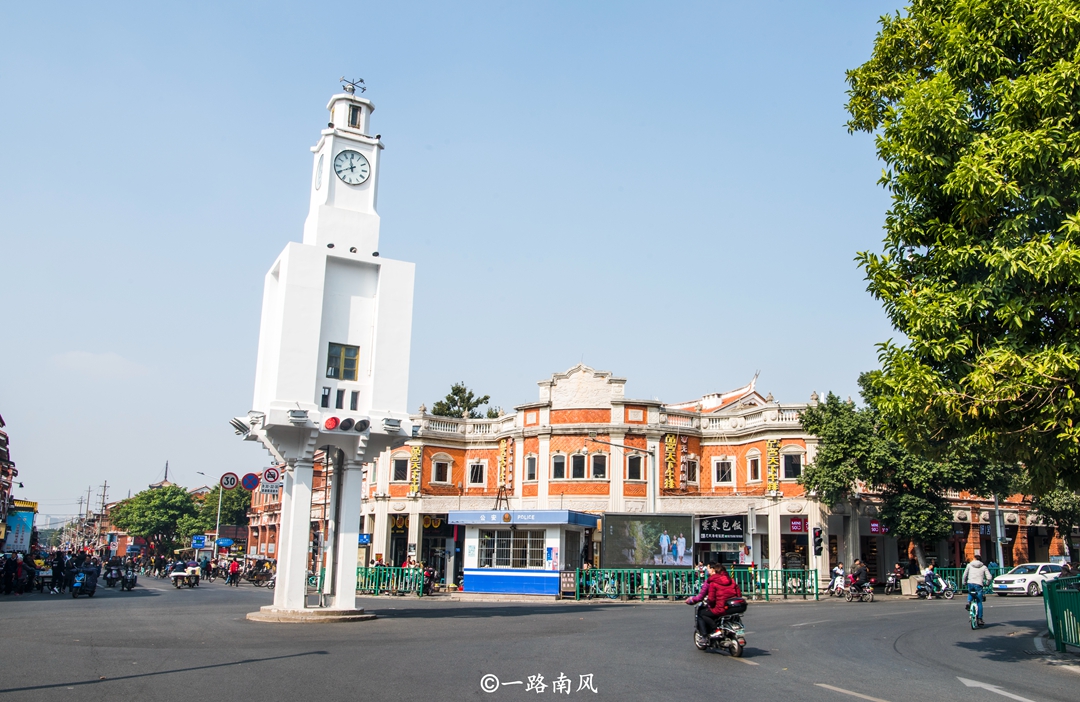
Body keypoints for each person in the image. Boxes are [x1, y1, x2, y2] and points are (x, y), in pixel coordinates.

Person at [686, 563, 742, 644]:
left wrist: (711, 606)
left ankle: (711, 633)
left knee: (702, 613)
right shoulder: (732, 581)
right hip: (732, 608)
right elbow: (739, 595)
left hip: (721, 608)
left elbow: (711, 599)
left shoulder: (712, 582)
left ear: (714, 570)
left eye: (709, 568)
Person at [962, 553, 993, 626]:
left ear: (974, 559)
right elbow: (989, 577)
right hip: (979, 584)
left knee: (970, 593)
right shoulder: (984, 567)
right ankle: (979, 619)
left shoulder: (969, 565)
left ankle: (969, 602)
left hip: (970, 583)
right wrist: (987, 583)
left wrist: (964, 582)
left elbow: (964, 575)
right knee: (979, 602)